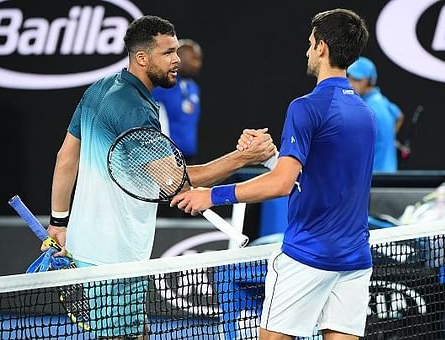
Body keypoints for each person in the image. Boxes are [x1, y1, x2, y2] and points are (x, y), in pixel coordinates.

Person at [45, 15, 276, 338]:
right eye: (168, 52)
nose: (177, 59)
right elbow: (177, 182)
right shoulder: (135, 110)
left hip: (88, 246)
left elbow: (65, 158)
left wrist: (58, 221)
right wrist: (244, 157)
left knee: (138, 332)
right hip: (116, 258)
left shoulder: (99, 89)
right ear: (142, 58)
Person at [171, 9, 374, 340]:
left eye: (310, 44)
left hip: (307, 258)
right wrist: (271, 158)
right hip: (354, 259)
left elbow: (283, 184)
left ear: (321, 48)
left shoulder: (305, 107)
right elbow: (318, 179)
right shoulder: (364, 113)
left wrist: (211, 194)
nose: (307, 51)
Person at [347, 56, 404, 173]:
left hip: (375, 178)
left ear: (370, 81)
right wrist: (387, 138)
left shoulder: (365, 109)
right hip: (390, 173)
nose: (350, 84)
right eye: (349, 78)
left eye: (357, 79)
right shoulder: (382, 101)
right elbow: (399, 116)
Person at [153, 39, 203, 164]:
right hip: (167, 159)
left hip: (190, 158)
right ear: (179, 59)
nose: (198, 64)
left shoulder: (193, 88)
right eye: (194, 59)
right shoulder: (161, 88)